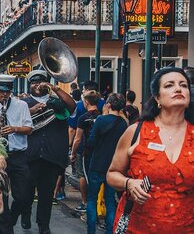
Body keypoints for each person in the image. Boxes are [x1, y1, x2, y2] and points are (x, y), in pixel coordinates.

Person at [107, 67, 194, 233]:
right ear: (157, 98)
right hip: (138, 226)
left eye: (183, 85)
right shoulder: (136, 131)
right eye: (169, 85)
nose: (178, 88)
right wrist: (129, 183)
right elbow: (112, 174)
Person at [20, 70, 76, 234]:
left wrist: (55, 88)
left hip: (51, 157)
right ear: (30, 85)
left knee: (46, 195)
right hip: (29, 156)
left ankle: (43, 225)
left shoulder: (57, 101)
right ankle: (25, 214)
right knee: (26, 192)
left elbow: (72, 106)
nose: (37, 85)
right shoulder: (23, 104)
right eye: (34, 82)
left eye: (41, 81)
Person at [0, 74, 33, 234]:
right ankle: (6, 231)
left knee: (23, 196)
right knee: (0, 200)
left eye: (8, 91)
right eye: (2, 91)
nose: (4, 95)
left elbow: (29, 129)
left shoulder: (21, 105)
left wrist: (14, 129)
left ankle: (11, 219)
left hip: (17, 156)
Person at [86, 93, 128, 234]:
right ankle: (110, 231)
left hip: (97, 163)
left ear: (108, 104)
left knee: (92, 199)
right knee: (110, 201)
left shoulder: (100, 120)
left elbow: (91, 142)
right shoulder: (123, 123)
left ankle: (91, 230)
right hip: (113, 166)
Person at [69, 90, 102, 213]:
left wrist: (72, 153)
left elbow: (77, 139)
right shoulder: (101, 116)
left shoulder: (83, 118)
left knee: (83, 175)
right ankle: (96, 201)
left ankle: (85, 202)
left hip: (85, 151)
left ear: (86, 102)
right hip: (98, 150)